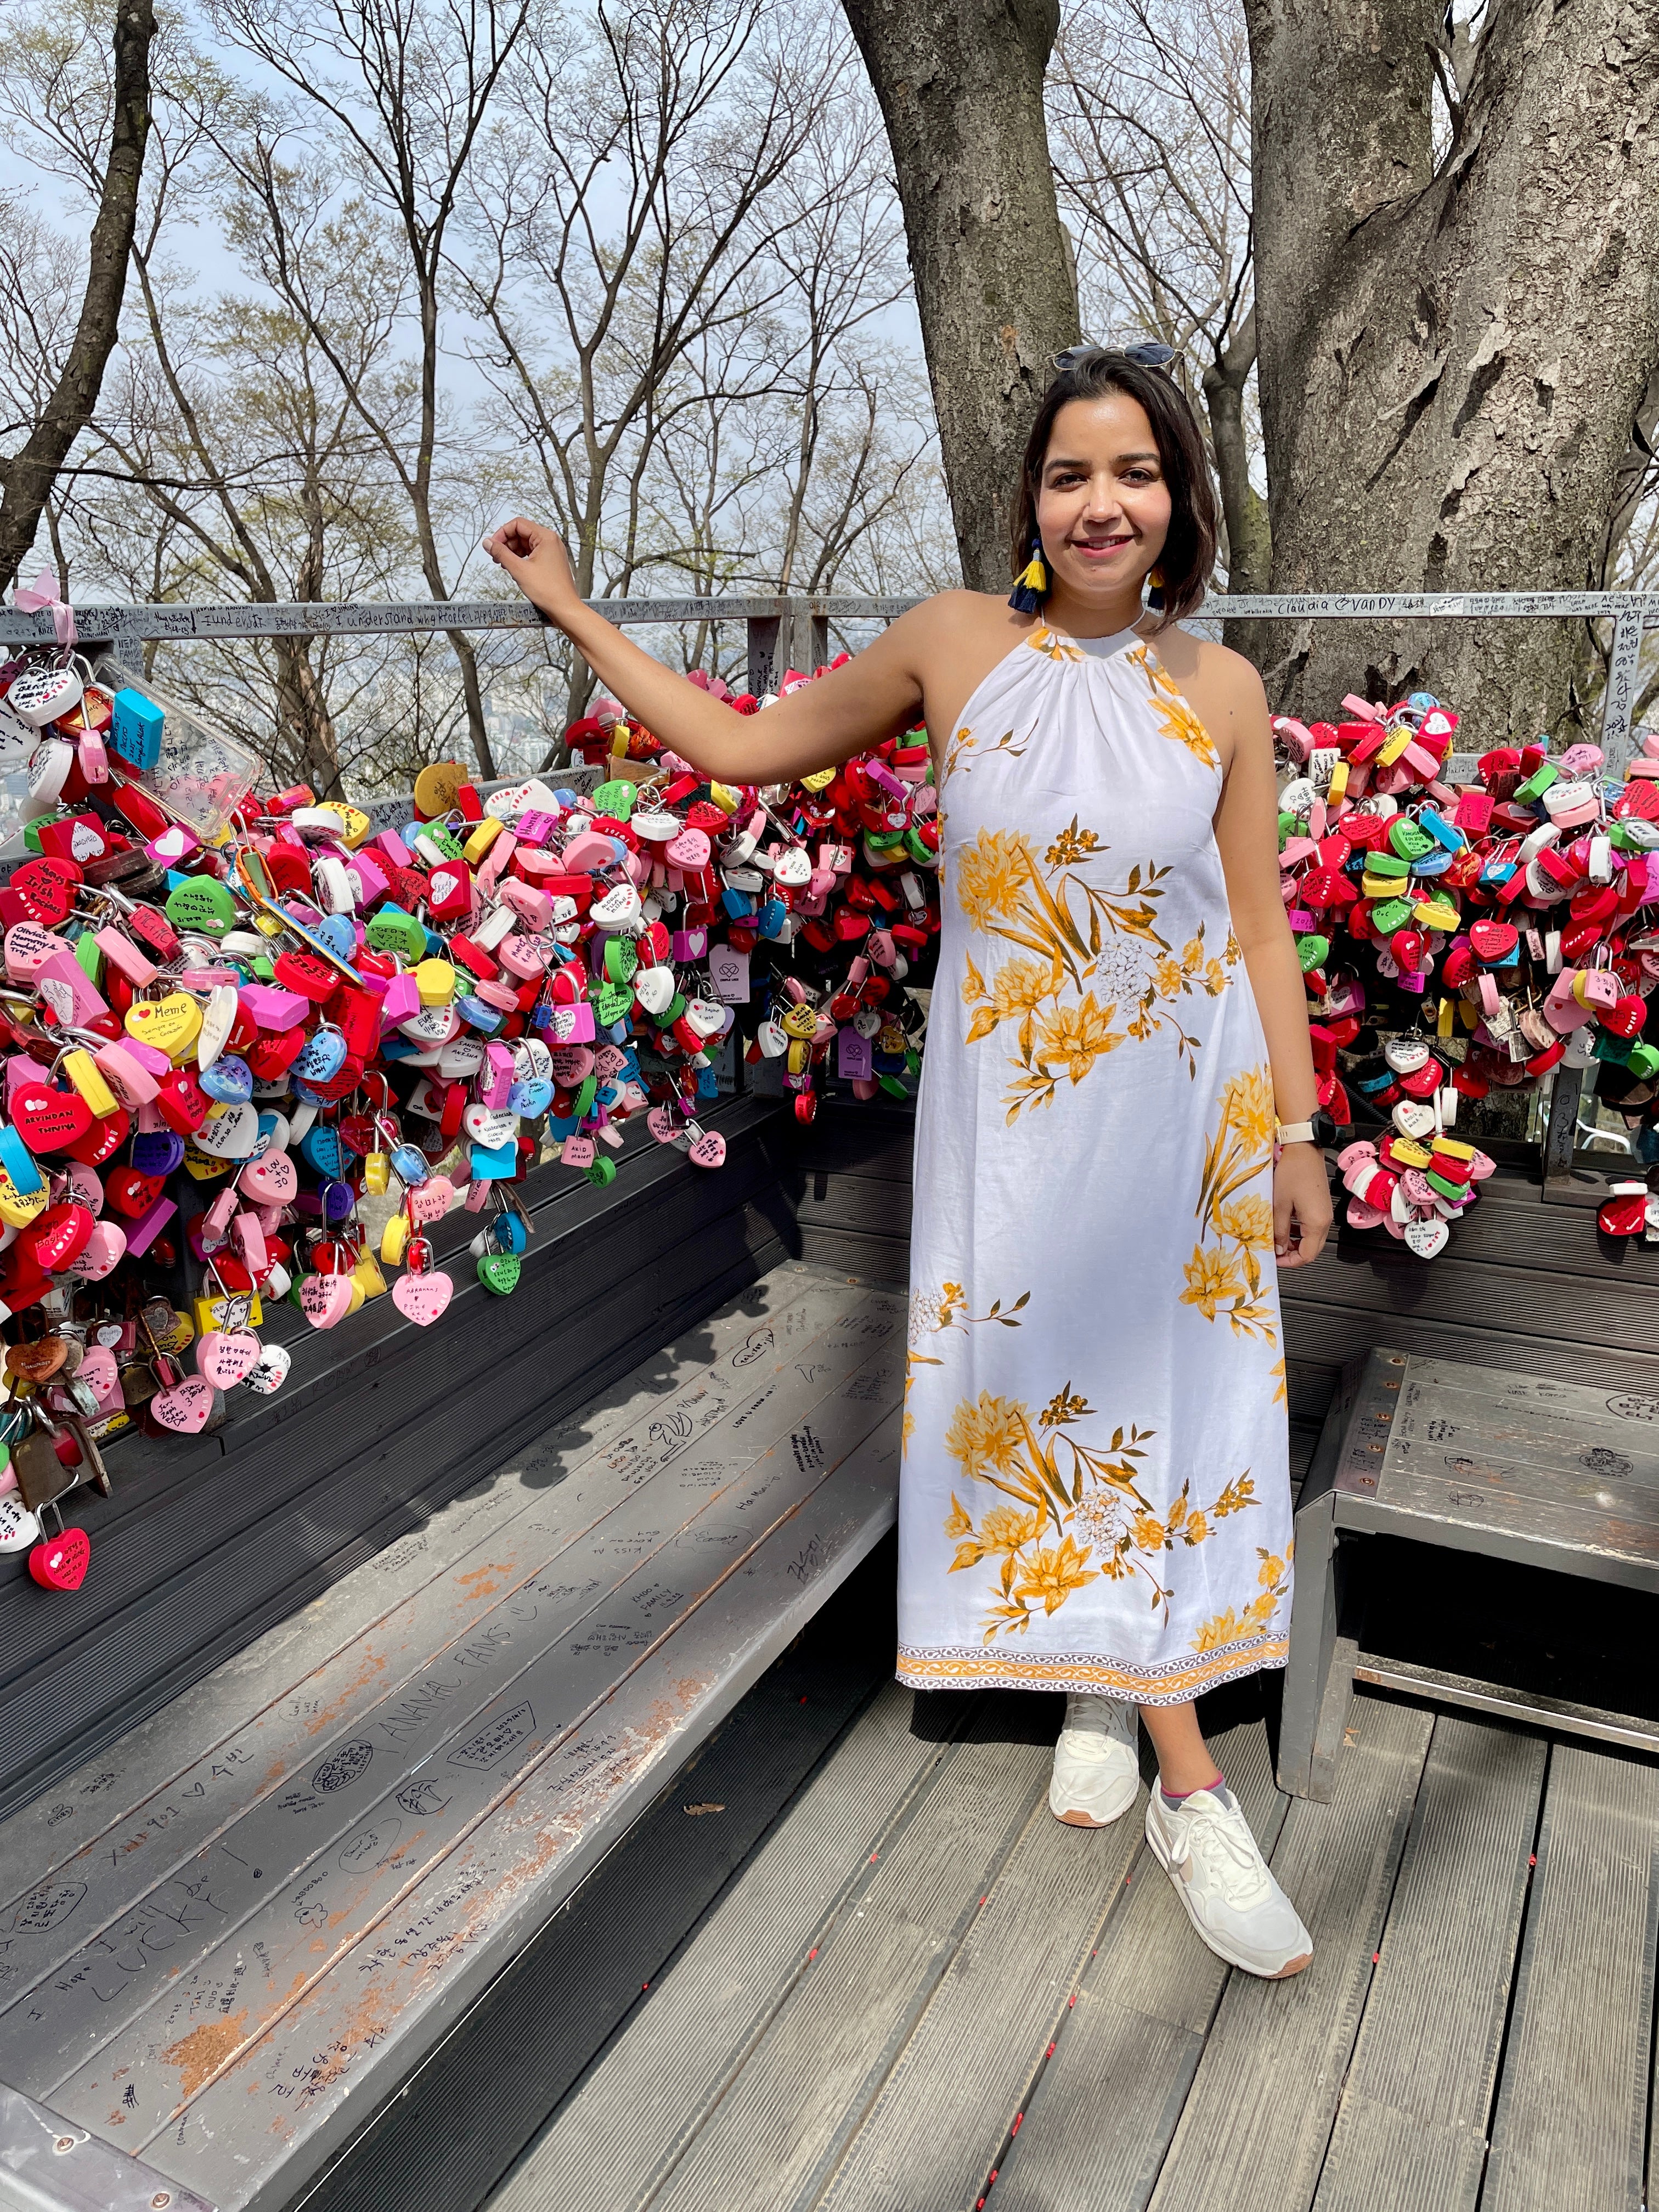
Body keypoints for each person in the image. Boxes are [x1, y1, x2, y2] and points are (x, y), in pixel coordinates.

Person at [484, 343, 1333, 1980]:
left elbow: (1257, 927)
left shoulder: (1219, 687)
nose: (1104, 504)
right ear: (1032, 496)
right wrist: (578, 616)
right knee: (1049, 1396)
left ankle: (1183, 1771)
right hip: (1017, 1128)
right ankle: (1113, 1681)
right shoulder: (955, 645)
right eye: (1073, 473)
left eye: (1137, 474)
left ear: (1181, 502)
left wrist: (1299, 1133)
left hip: (1186, 1125)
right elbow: (740, 752)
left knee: (1176, 1393)